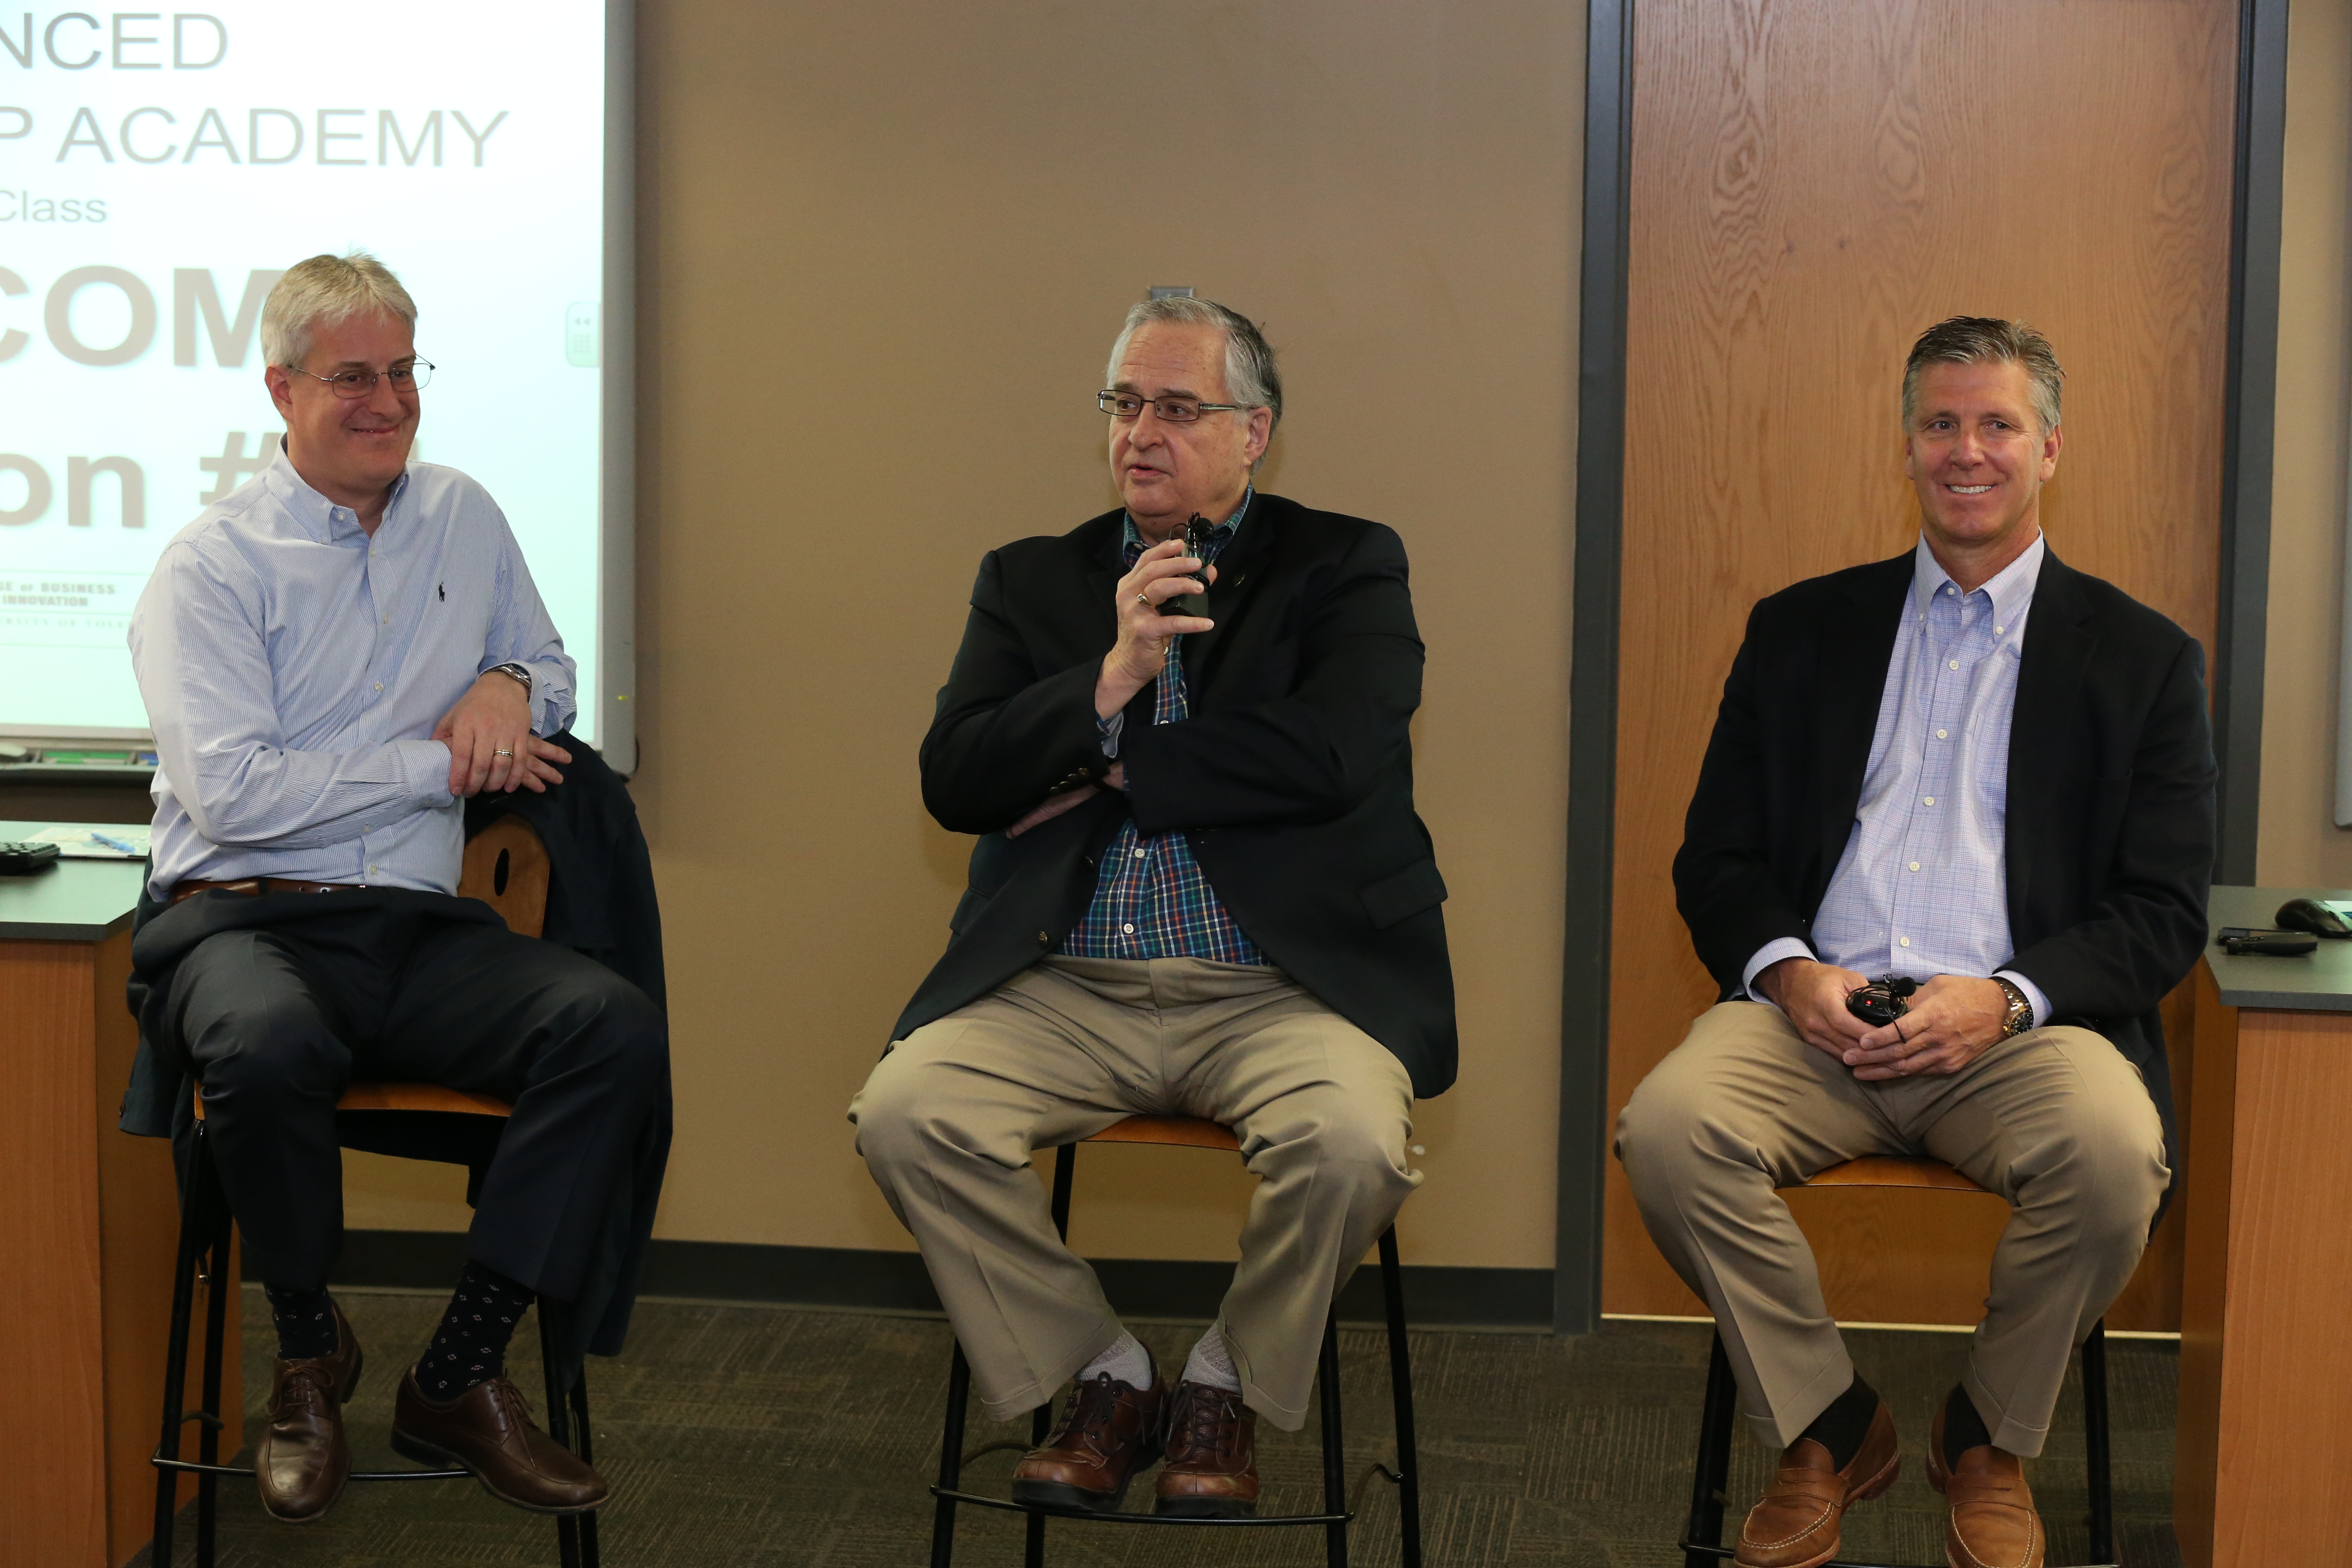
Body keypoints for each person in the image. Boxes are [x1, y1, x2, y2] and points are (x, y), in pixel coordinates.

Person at [1616, 318, 2212, 1568]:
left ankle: (1988, 1435)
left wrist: (2004, 999)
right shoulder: (1800, 630)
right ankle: (1832, 1427)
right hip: (1813, 1015)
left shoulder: (2144, 662)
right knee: (1669, 1131)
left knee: (2115, 1157)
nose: (1967, 451)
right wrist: (1788, 971)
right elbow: (1713, 859)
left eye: (1997, 424)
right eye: (1941, 424)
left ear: (2050, 447)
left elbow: (2163, 909)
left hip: (2015, 1030)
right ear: (1908, 445)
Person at [850, 294, 1454, 1518]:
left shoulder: (1346, 563)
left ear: (1255, 432)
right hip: (1065, 981)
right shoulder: (1031, 582)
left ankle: (1226, 1382)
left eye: (1179, 408)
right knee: (905, 1112)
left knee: (1352, 1143)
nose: (1142, 432)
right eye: (1125, 404)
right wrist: (1112, 677)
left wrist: (1103, 763)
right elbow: (957, 778)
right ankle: (1105, 1377)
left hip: (1282, 987)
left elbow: (1334, 752)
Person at [125, 251, 668, 1524]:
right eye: (352, 376)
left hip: (415, 929)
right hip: (242, 919)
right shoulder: (209, 566)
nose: (386, 400)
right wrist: (436, 763)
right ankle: (308, 1355)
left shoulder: (462, 515)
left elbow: (548, 665)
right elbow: (238, 797)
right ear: (283, 389)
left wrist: (509, 690)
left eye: (402, 371)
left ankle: (461, 1370)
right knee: (260, 1046)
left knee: (612, 1027)